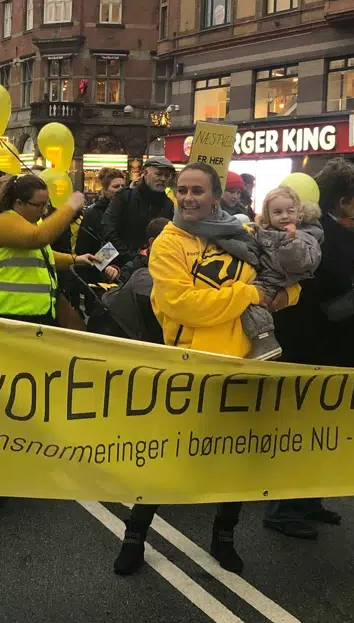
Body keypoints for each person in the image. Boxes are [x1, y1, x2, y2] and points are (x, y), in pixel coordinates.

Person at [114, 162, 301, 576]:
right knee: (167, 459)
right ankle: (135, 535)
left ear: (217, 196)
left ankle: (224, 536)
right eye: (182, 190)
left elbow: (288, 284)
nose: (188, 198)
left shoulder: (245, 236)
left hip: (246, 364)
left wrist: (276, 298)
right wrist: (248, 294)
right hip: (190, 366)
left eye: (198, 190)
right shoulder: (168, 244)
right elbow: (184, 305)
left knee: (233, 460)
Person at [265, 159, 354, 539]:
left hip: (322, 339)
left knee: (316, 428)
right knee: (300, 427)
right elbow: (327, 280)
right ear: (343, 200)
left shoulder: (331, 227)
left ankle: (307, 500)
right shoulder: (316, 231)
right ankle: (283, 507)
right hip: (311, 339)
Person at [0, 174, 95, 326]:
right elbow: (38, 238)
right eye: (39, 205)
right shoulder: (3, 221)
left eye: (45, 204)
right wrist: (70, 206)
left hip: (31, 312)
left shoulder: (28, 222)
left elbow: (41, 256)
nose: (44, 211)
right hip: (7, 312)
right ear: (19, 203)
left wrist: (75, 259)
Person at [244, 185, 323, 360]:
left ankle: (265, 341)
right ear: (268, 215)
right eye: (278, 212)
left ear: (299, 214)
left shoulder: (304, 236)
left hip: (276, 281)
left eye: (290, 211)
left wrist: (290, 242)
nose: (285, 216)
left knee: (249, 305)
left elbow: (302, 263)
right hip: (261, 277)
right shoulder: (262, 232)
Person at [101, 157, 175, 267]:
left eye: (167, 176)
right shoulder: (124, 196)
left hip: (151, 265)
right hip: (116, 264)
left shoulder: (168, 205)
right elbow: (107, 228)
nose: (163, 179)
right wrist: (129, 255)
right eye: (159, 174)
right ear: (145, 173)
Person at [73, 167, 126, 257]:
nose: (121, 189)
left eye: (123, 186)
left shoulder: (129, 209)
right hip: (100, 267)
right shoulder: (93, 214)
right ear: (105, 190)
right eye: (116, 186)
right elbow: (82, 249)